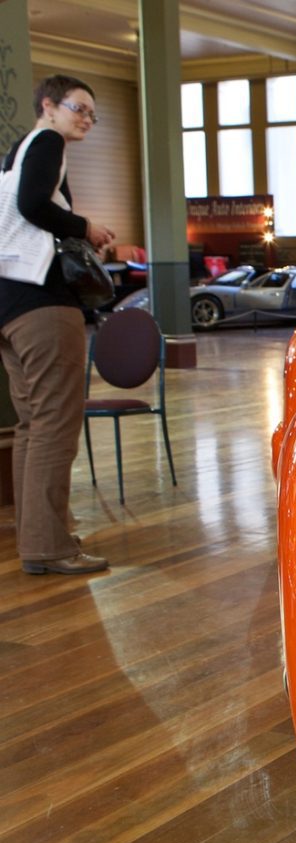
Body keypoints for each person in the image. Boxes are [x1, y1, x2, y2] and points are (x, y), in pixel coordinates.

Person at [0, 75, 114, 574]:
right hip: (42, 304)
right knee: (55, 426)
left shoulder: (17, 151)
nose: (86, 119)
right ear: (48, 105)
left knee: (31, 426)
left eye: (92, 113)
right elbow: (32, 206)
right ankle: (50, 546)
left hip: (8, 303)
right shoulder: (46, 140)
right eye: (78, 108)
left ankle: (39, 539)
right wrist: (84, 226)